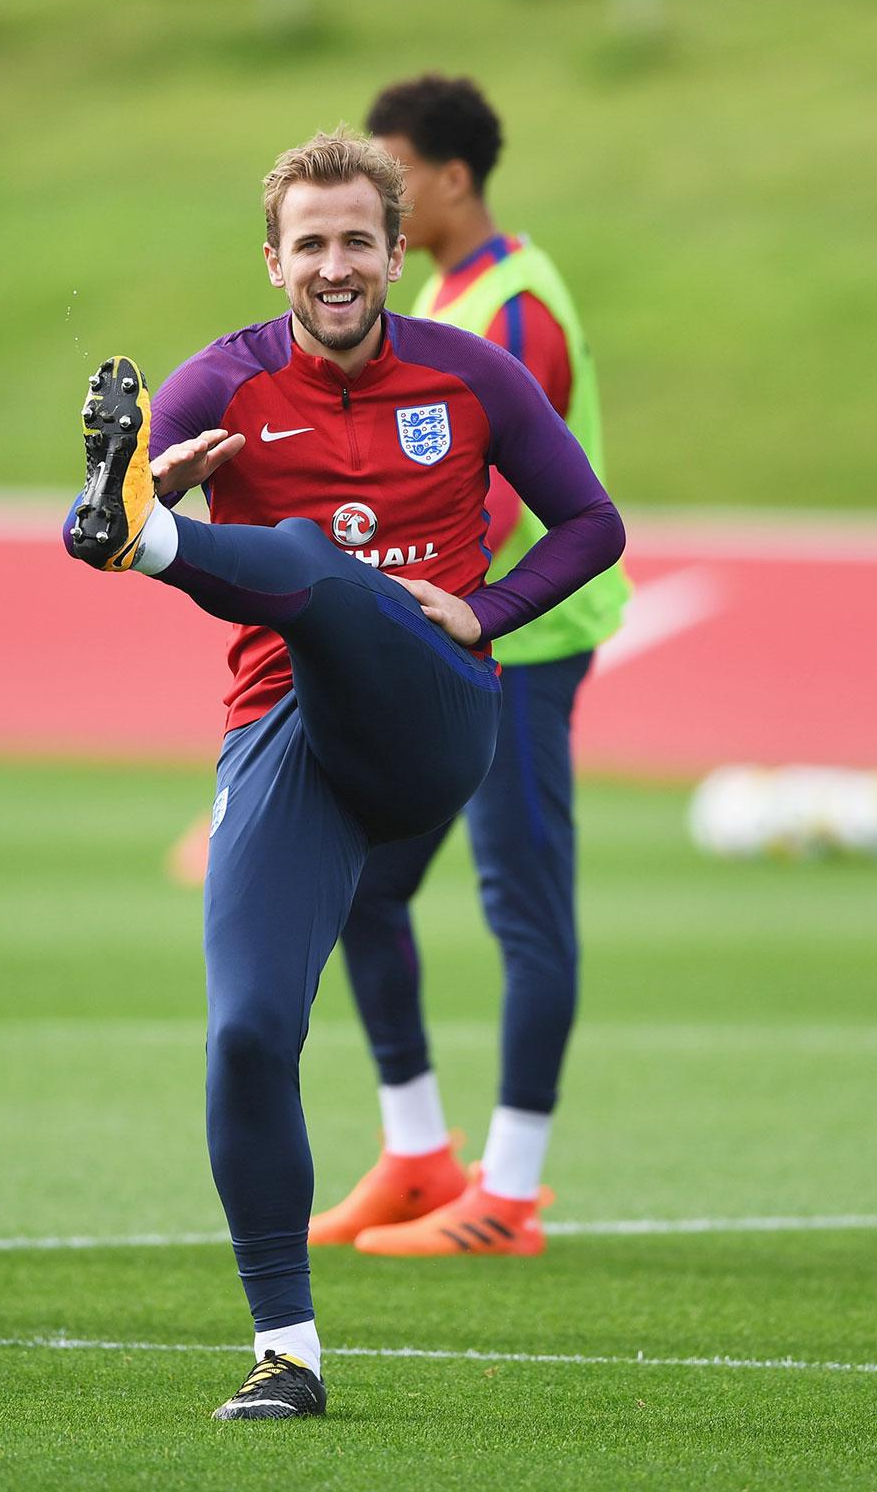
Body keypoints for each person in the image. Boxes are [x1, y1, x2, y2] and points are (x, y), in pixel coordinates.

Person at [63, 131, 623, 1417]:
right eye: (307, 245)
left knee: (310, 559)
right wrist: (151, 485)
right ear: (273, 262)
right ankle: (288, 1354)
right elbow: (74, 528)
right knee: (248, 1031)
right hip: (282, 736)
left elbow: (595, 525)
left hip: (432, 717)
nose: (333, 265)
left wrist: (485, 610)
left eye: (355, 241)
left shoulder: (469, 372)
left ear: (392, 250)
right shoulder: (219, 381)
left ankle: (169, 548)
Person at [298, 76, 630, 1259]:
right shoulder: (442, 291)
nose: (373, 201)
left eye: (390, 170)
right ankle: (415, 1155)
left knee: (522, 904)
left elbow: (494, 497)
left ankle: (515, 1192)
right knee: (364, 888)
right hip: (434, 644)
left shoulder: (515, 306)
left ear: (447, 178)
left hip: (519, 645)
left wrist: (441, 614)